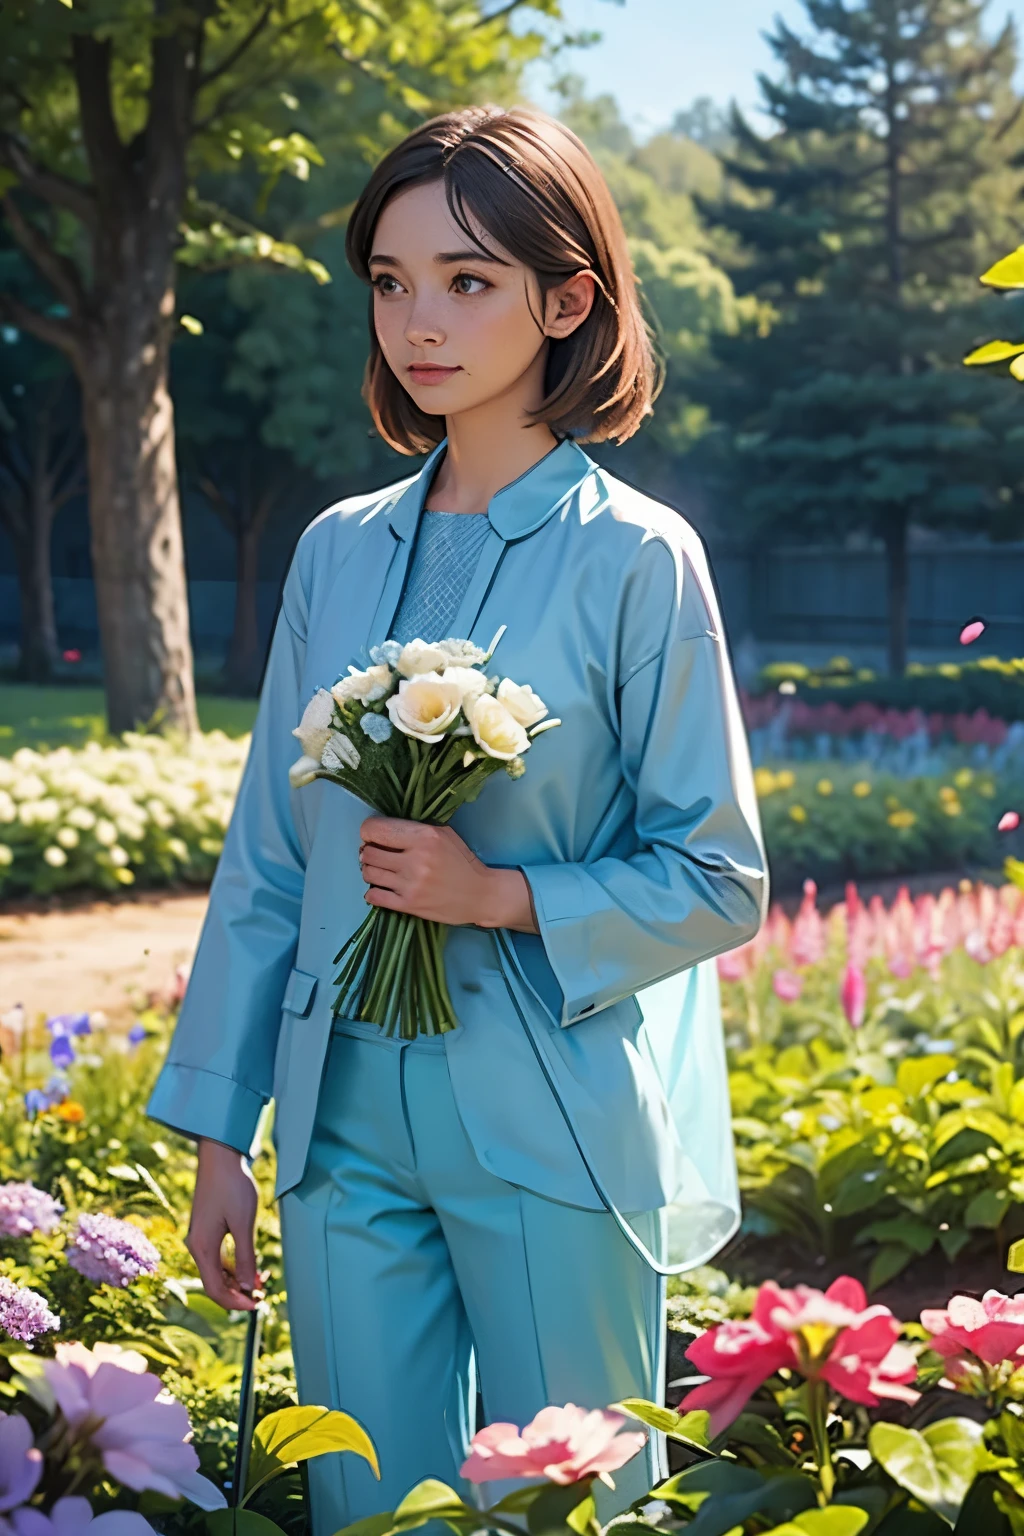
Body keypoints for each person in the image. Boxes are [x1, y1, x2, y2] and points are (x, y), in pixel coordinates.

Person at [147, 104, 767, 1536]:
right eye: (390, 279)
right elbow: (268, 862)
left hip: (551, 1122)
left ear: (567, 300)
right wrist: (215, 1132)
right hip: (339, 1129)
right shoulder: (336, 551)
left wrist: (501, 897)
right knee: (369, 1510)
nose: (419, 319)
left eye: (468, 281)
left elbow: (719, 876)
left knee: (580, 1510)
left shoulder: (638, 561)